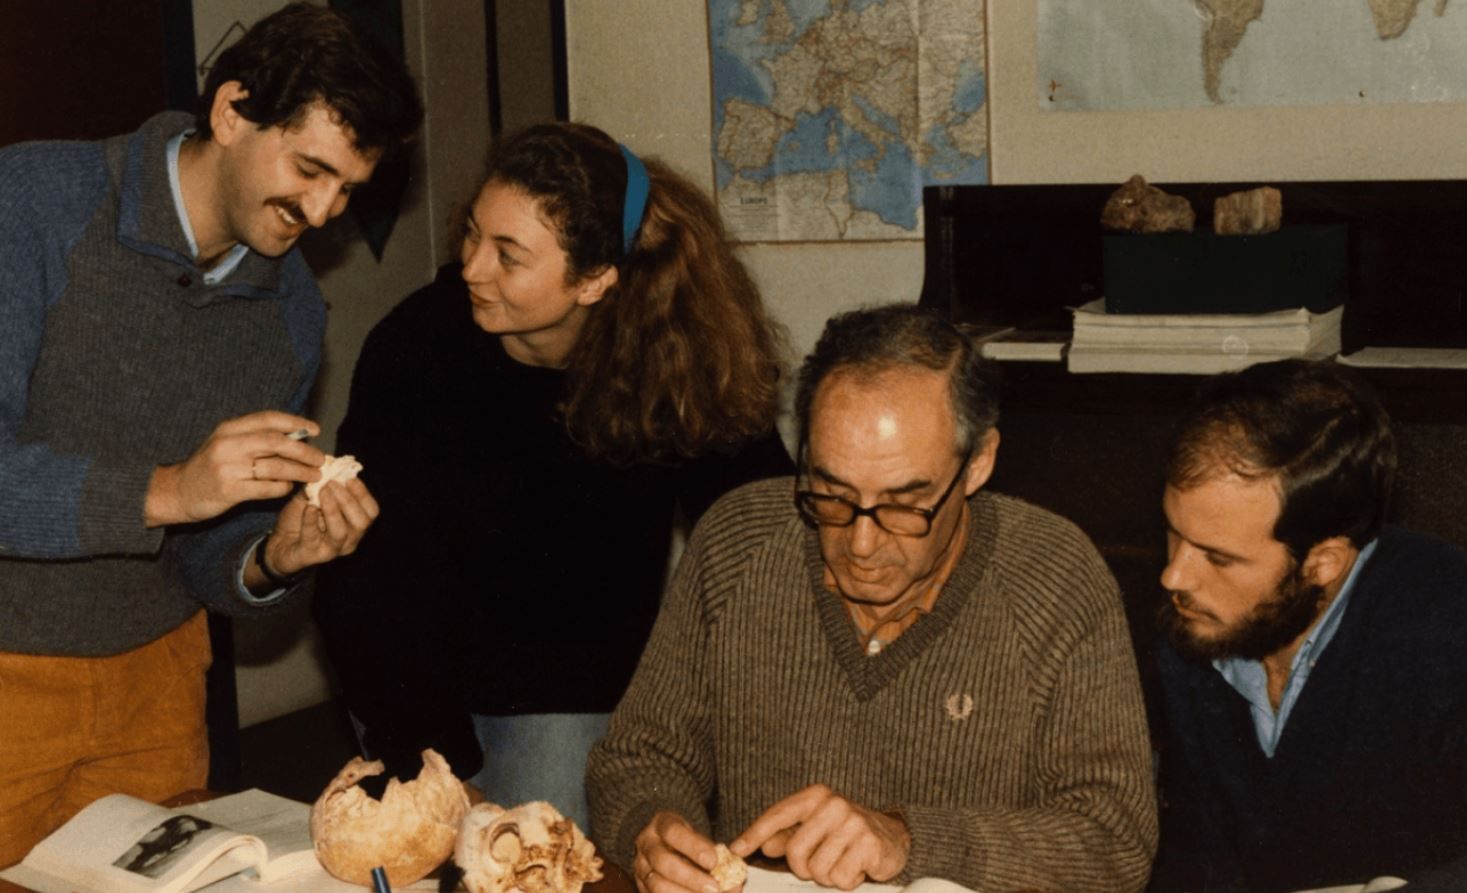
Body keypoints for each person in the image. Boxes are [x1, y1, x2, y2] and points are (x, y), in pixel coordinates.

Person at [0, 3, 421, 866]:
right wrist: (170, 488)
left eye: (348, 189)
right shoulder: (35, 204)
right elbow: (175, 494)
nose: (323, 209)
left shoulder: (294, 312)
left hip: (158, 687)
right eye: (309, 168)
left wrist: (273, 557)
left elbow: (208, 543)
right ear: (231, 111)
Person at [312, 122, 792, 830]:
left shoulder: (676, 356)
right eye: (473, 234)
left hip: (576, 687)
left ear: (596, 279)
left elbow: (764, 534)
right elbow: (363, 576)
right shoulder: (416, 346)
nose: (472, 268)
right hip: (409, 666)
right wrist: (427, 756)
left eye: (509, 255)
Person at [586, 305, 1157, 893]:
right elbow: (640, 756)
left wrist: (909, 839)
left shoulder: (1056, 577)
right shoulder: (739, 543)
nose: (861, 542)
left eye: (903, 504)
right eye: (830, 495)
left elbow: (1113, 839)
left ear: (978, 463)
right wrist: (651, 828)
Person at [1148, 359, 1467, 893]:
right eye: (1173, 533)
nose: (1173, 575)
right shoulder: (1196, 628)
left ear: (1323, 564)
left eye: (1218, 558)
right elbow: (1195, 855)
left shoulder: (1447, 627)